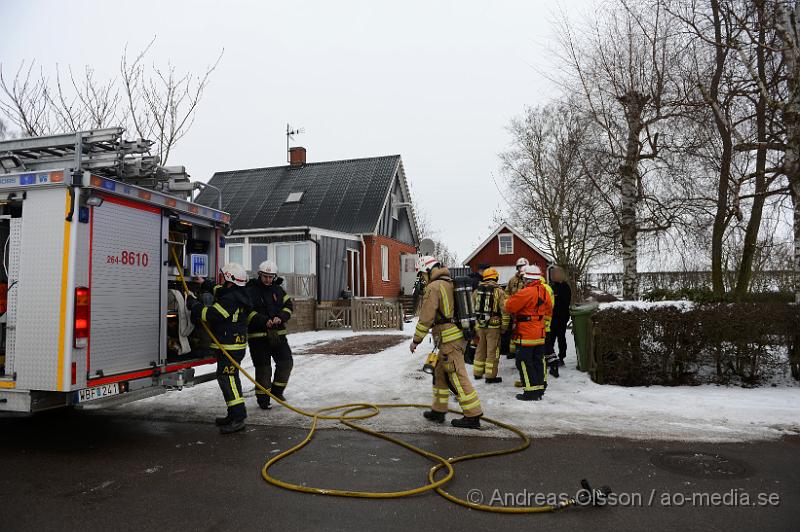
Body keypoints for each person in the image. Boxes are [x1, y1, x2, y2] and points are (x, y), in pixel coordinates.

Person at [410, 255, 483, 429]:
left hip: (449, 340)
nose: (422, 279)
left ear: (429, 270)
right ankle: (438, 411)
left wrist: (416, 341)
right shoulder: (451, 283)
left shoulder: (434, 287)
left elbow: (426, 318)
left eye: (422, 275)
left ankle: (472, 415)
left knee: (457, 375)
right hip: (453, 338)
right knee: (440, 375)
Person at [187, 263, 255, 434]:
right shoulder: (236, 293)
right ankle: (233, 415)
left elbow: (211, 315)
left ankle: (238, 418)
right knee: (228, 378)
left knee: (228, 379)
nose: (222, 280)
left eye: (224, 277)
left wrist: (194, 304)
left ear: (230, 280)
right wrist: (204, 282)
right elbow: (219, 290)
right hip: (232, 346)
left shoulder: (231, 299)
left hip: (230, 347)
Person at [246, 260, 294, 409]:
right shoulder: (250, 290)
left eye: (270, 277)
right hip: (258, 337)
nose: (268, 279)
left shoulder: (278, 290)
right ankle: (263, 400)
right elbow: (246, 312)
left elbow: (288, 306)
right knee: (263, 369)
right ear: (259, 274)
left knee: (286, 363)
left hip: (277, 334)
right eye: (265, 276)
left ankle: (277, 391)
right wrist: (263, 320)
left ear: (275, 276)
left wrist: (281, 317)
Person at [505, 264, 553, 401]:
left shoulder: (526, 292)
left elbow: (509, 306)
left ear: (528, 279)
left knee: (524, 362)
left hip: (526, 333)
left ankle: (531, 391)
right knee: (538, 360)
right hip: (540, 332)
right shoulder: (545, 291)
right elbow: (549, 310)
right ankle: (540, 387)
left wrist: (506, 299)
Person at [472, 267, 509, 383]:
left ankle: (477, 373)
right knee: (493, 352)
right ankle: (490, 376)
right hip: (494, 327)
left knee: (480, 349)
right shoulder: (499, 292)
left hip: (480, 326)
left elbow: (472, 309)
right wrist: (504, 327)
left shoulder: (477, 291)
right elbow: (505, 312)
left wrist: (476, 326)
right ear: (496, 278)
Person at [544, 266, 572, 376]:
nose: (552, 276)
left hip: (561, 317)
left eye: (554, 274)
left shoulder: (565, 287)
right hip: (552, 317)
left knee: (561, 337)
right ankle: (550, 357)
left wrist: (556, 299)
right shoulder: (552, 286)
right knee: (550, 338)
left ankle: (561, 357)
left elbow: (565, 302)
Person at [502, 257, 530, 360]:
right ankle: (513, 351)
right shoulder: (512, 280)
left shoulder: (529, 279)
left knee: (523, 331)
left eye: (523, 266)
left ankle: (523, 349)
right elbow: (507, 293)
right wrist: (510, 302)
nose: (521, 268)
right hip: (514, 310)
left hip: (525, 310)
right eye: (520, 267)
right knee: (513, 330)